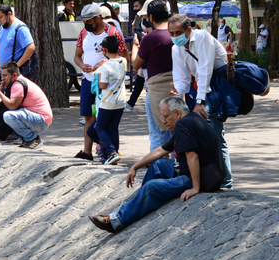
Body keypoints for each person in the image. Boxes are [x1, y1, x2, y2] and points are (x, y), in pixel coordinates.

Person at [89, 96, 225, 233]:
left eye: (165, 117)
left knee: (151, 187)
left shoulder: (183, 124)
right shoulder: (189, 120)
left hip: (199, 177)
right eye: (162, 118)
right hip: (194, 171)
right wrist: (135, 166)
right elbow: (161, 150)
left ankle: (117, 220)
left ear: (177, 113)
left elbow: (192, 156)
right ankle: (136, 204)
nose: (164, 122)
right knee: (158, 164)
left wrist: (195, 188)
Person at [169, 13, 232, 189]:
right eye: (171, 33)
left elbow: (205, 70)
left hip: (216, 88)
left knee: (215, 135)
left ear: (189, 30)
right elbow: (182, 78)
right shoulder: (176, 49)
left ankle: (226, 182)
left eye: (178, 32)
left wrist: (200, 102)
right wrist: (176, 92)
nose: (175, 37)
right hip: (200, 91)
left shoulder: (203, 37)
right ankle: (208, 178)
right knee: (202, 136)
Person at [74, 3, 128, 160]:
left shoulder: (113, 33)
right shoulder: (84, 33)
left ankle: (108, 150)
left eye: (88, 21)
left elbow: (124, 57)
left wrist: (105, 64)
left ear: (97, 18)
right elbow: (77, 55)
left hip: (107, 84)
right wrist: (81, 65)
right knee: (88, 117)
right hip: (89, 80)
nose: (86, 25)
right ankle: (87, 152)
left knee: (104, 120)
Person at [132, 0, 174, 151]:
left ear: (150, 17)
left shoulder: (150, 38)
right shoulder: (175, 33)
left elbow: (135, 65)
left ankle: (157, 170)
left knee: (157, 134)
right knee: (173, 132)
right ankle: (173, 168)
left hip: (156, 91)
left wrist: (137, 45)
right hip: (177, 88)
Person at [86, 35, 126, 165]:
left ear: (104, 49)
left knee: (100, 128)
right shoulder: (123, 61)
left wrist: (98, 73)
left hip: (107, 103)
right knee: (113, 128)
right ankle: (112, 152)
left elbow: (103, 86)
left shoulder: (105, 67)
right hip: (120, 101)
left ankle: (111, 151)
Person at [0, 62, 53, 149]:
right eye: (1, 75)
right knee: (6, 114)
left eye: (5, 75)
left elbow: (12, 106)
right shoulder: (14, 83)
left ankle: (32, 139)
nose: (2, 78)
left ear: (14, 75)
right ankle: (23, 138)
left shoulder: (17, 85)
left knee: (8, 116)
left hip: (41, 121)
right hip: (37, 119)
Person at [0, 3, 38, 81]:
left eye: (1, 17)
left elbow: (31, 48)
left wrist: (16, 66)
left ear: (9, 14)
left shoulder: (20, 28)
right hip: (6, 74)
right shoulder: (2, 27)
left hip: (16, 74)